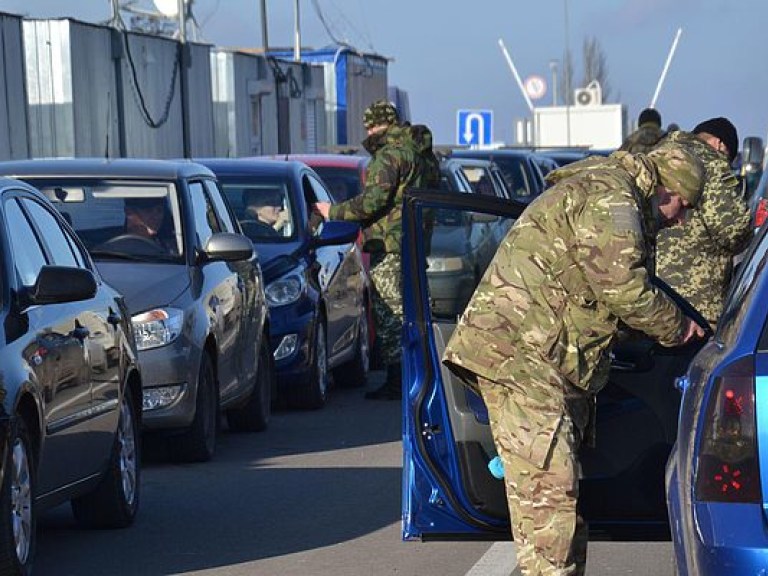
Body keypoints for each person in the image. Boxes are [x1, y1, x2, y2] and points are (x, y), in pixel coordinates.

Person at [442, 142, 707, 575]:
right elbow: (623, 288)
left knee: (559, 504)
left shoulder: (614, 193)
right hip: (521, 360)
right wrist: (679, 329)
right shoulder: (612, 197)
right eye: (683, 205)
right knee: (549, 505)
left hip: (537, 360)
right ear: (665, 188)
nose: (681, 218)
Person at [314, 100, 440, 400]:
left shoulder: (388, 156)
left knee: (389, 312)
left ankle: (399, 381)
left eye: (369, 126)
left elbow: (372, 202)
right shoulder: (420, 154)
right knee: (412, 310)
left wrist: (332, 212)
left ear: (374, 125)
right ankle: (419, 374)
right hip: (415, 242)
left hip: (390, 244)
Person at [656, 117, 752, 328]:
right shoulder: (712, 163)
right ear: (720, 144)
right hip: (696, 302)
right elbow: (733, 230)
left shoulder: (659, 155)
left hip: (653, 298)